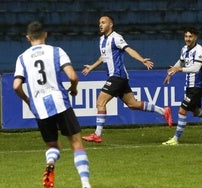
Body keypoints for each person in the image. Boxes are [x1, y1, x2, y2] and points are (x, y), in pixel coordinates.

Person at [13, 21, 92, 188]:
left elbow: (16, 85)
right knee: (76, 142)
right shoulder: (57, 51)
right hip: (59, 102)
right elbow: (73, 77)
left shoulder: (22, 58)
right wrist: (74, 89)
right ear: (45, 34)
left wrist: (28, 100)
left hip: (39, 108)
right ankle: (85, 184)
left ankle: (50, 161)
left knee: (53, 145)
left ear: (28, 37)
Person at [81, 15, 173, 143]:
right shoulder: (102, 39)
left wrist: (141, 59)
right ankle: (163, 111)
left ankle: (97, 134)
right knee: (132, 104)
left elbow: (128, 49)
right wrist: (92, 67)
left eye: (103, 22)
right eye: (99, 23)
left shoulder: (116, 38)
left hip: (117, 76)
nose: (100, 25)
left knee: (100, 102)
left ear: (110, 24)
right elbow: (103, 57)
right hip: (119, 78)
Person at [162, 27, 202, 145]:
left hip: (197, 87)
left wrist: (179, 69)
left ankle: (175, 139)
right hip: (190, 86)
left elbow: (196, 68)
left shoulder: (200, 51)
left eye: (190, 36)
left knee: (182, 110)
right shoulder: (184, 49)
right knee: (196, 112)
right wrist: (171, 72)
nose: (187, 39)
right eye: (186, 36)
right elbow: (181, 61)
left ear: (195, 37)